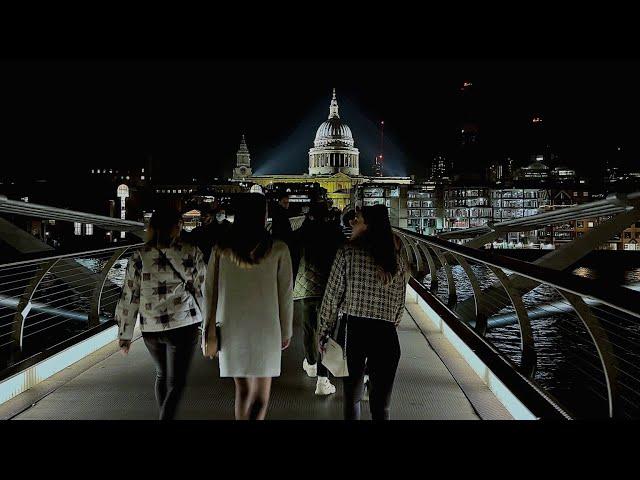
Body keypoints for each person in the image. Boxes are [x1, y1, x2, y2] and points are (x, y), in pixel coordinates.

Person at [203, 193, 293, 420]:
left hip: (231, 327)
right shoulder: (278, 249)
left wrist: (208, 328)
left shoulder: (221, 249)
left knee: (242, 390)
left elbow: (210, 292)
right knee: (261, 396)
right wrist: (286, 331)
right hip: (267, 329)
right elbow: (285, 295)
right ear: (263, 216)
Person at [319, 204, 410, 420]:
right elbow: (399, 309)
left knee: (352, 400)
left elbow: (331, 299)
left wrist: (323, 331)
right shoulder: (396, 262)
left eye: (356, 219)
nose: (351, 222)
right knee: (381, 408)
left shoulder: (347, 253)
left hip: (355, 334)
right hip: (387, 336)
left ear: (368, 225)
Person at [115, 206, 206, 420]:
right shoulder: (191, 252)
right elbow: (204, 289)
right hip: (184, 322)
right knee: (179, 381)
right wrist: (212, 324)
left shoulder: (139, 256)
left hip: (151, 326)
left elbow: (130, 296)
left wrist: (125, 335)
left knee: (162, 375)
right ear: (177, 227)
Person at [296, 201, 345, 395]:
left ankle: (310, 362)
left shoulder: (304, 231)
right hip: (329, 288)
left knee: (308, 328)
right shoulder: (334, 232)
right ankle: (323, 379)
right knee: (326, 332)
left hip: (306, 286)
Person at [270, 192, 300, 280]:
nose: (287, 204)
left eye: (288, 202)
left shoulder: (277, 213)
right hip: (284, 245)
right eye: (285, 202)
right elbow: (286, 233)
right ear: (279, 202)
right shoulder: (282, 214)